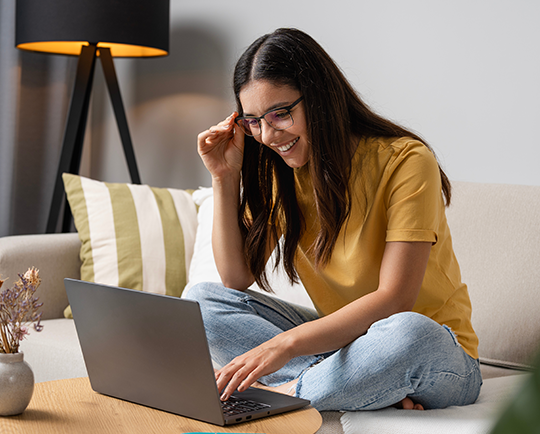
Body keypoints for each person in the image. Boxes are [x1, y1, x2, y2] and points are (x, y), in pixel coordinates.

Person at [187, 28, 481, 412]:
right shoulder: (281, 174)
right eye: (253, 121)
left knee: (410, 333)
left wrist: (284, 344)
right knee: (201, 301)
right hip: (347, 347)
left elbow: (396, 300)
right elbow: (235, 278)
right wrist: (223, 178)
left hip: (438, 353)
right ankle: (361, 383)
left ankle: (286, 395)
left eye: (280, 113)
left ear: (320, 98)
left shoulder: (406, 161)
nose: (269, 135)